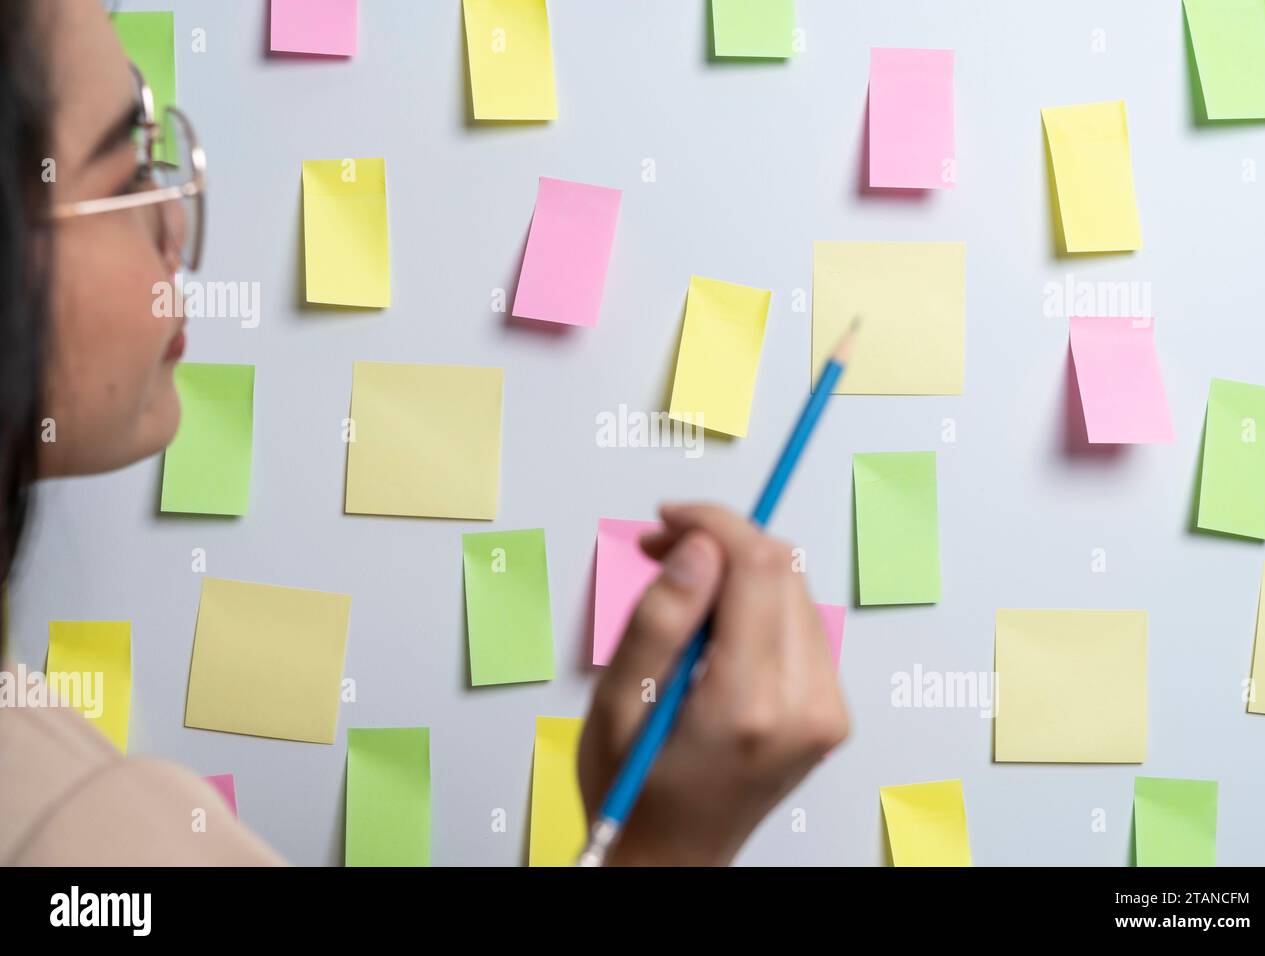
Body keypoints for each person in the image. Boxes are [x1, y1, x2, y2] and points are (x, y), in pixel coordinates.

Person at [0, 0, 848, 867]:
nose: (173, 225)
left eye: (160, 154)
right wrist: (670, 846)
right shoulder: (96, 838)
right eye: (123, 173)